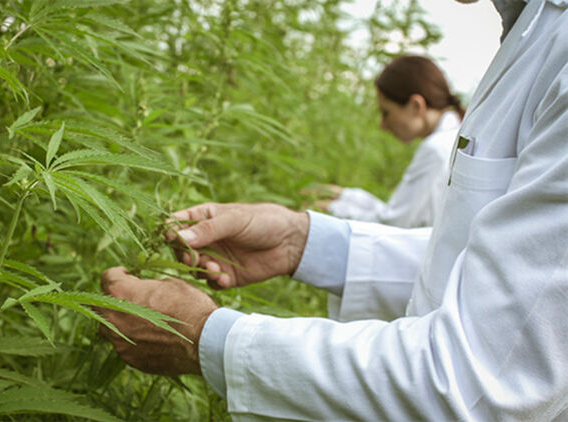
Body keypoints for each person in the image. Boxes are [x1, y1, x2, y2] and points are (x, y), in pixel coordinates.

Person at [99, 0, 568, 420]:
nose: (381, 125)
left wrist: (208, 337)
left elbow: (476, 386)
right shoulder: (532, 30)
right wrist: (302, 243)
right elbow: (485, 266)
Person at [317, 55, 464, 228]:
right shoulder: (454, 139)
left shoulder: (436, 150)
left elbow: (392, 225)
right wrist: (348, 197)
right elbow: (399, 213)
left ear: (416, 105)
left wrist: (332, 209)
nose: (383, 125)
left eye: (386, 112)